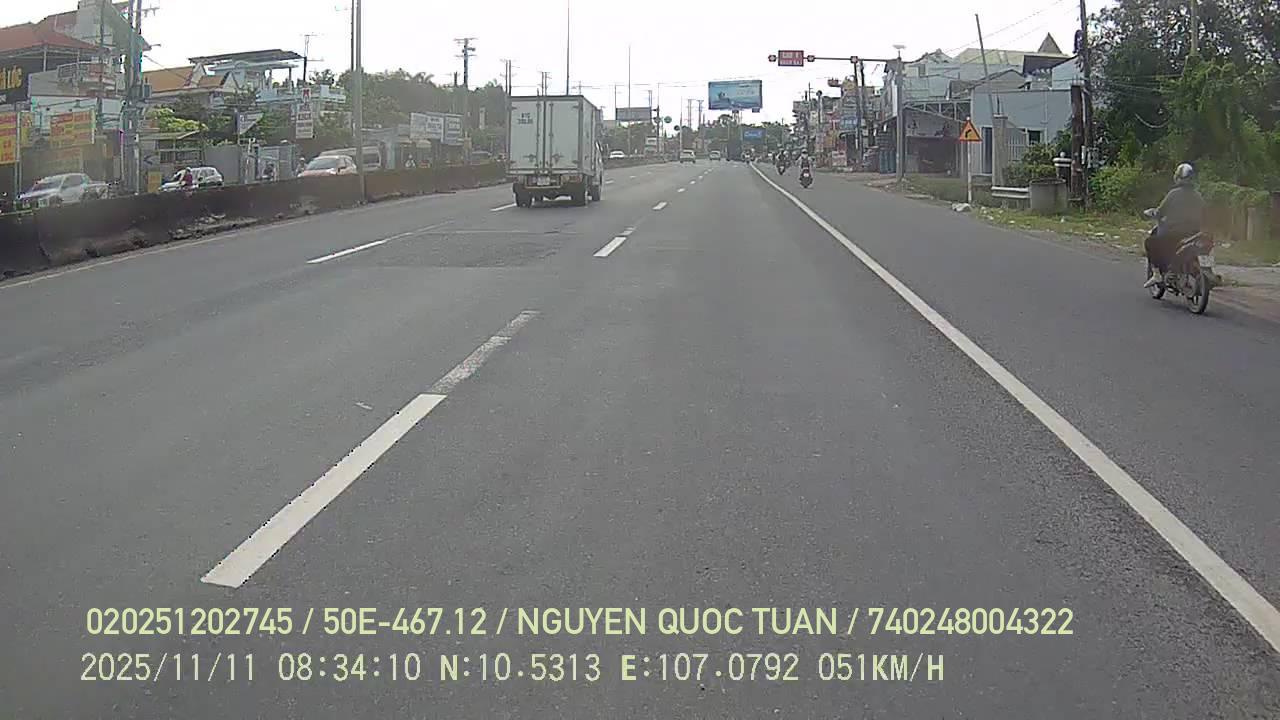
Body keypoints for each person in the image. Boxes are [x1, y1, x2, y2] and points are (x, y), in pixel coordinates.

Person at [1144, 163, 1205, 288]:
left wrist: (1153, 213)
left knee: (1150, 242)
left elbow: (1160, 212)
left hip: (1174, 234)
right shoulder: (1198, 196)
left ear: (1178, 177)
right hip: (1194, 234)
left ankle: (1157, 274)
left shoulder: (1173, 194)